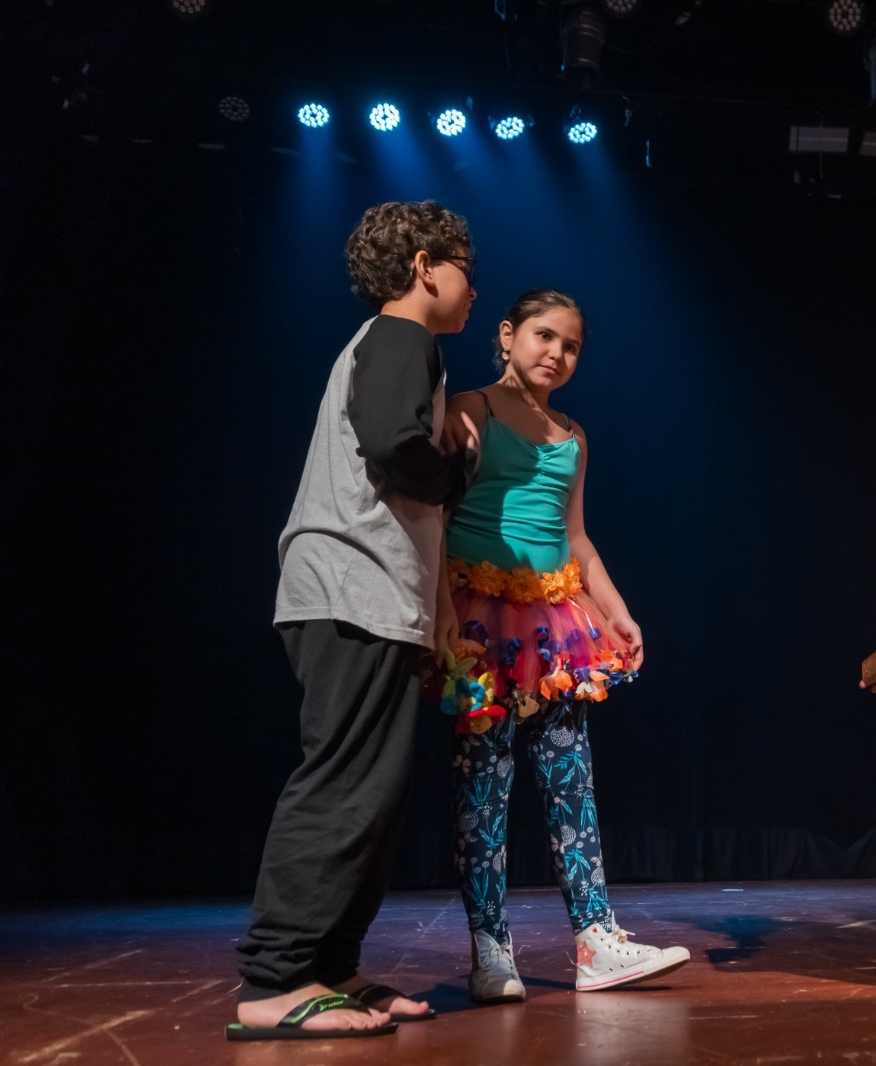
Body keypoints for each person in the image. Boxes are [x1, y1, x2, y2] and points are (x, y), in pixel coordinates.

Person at [230, 200, 479, 1040]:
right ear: (422, 266)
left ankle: (329, 967)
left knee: (372, 794)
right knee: (341, 784)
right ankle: (274, 982)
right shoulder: (404, 336)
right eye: (464, 269)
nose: (472, 288)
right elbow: (392, 443)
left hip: (375, 595)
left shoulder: (401, 346)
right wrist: (460, 467)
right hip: (350, 588)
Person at [434, 289, 689, 1000]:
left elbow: (576, 538)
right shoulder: (470, 410)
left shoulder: (572, 435)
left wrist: (615, 611)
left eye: (571, 345)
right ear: (508, 334)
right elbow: (437, 515)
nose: (557, 353)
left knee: (569, 778)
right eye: (544, 336)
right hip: (483, 618)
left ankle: (595, 938)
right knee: (485, 783)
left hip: (554, 627)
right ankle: (490, 947)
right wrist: (436, 611)